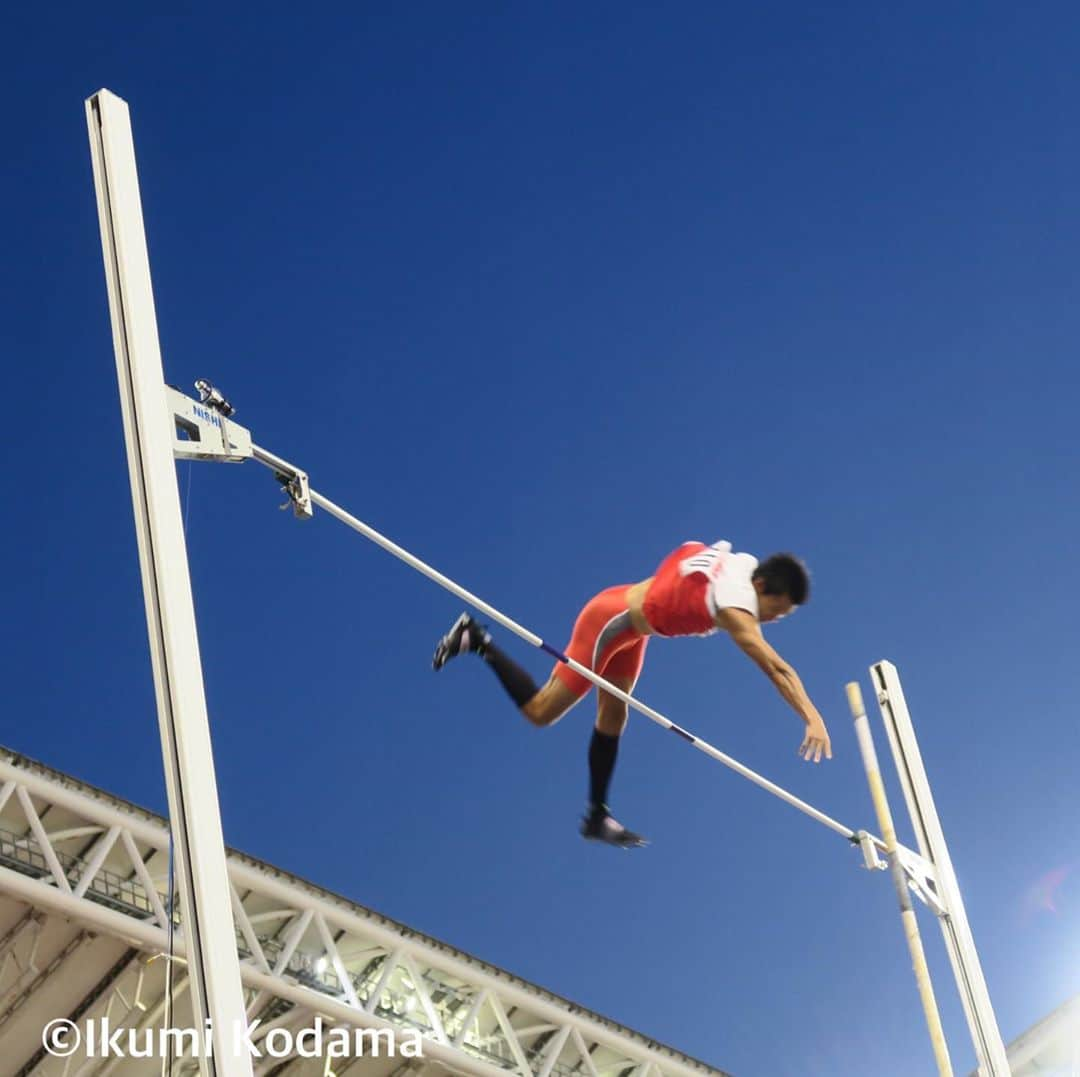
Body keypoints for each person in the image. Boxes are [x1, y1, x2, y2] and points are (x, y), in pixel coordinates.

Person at [432, 540, 831, 847]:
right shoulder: (735, 605)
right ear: (759, 586)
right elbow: (776, 667)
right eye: (774, 610)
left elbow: (690, 554)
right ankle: (477, 638)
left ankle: (596, 816)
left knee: (613, 716)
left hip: (634, 630)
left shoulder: (745, 565)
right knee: (540, 712)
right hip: (610, 621)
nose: (772, 620)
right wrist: (811, 716)